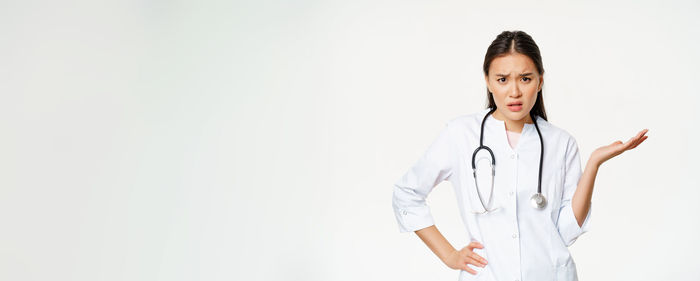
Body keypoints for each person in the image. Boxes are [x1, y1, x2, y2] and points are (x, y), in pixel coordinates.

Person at [391, 30, 648, 281]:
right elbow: (407, 193)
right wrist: (449, 255)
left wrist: (594, 163)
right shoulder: (461, 134)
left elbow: (567, 232)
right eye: (502, 79)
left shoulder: (560, 142)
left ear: (540, 81)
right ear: (488, 81)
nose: (514, 92)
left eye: (525, 79)